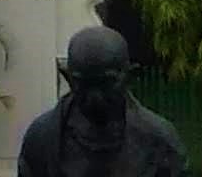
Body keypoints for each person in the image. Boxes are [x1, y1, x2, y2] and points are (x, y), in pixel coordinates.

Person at [16, 24, 187, 177]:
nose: (94, 98)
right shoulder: (41, 139)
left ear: (130, 77)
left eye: (106, 84)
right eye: (84, 84)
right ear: (68, 78)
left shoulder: (160, 142)